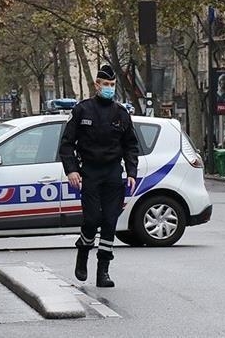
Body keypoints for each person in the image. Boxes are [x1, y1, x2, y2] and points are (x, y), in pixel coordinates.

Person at [60, 64, 138, 287]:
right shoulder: (82, 110)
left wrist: (131, 171)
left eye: (113, 85)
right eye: (106, 85)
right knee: (92, 220)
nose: (109, 88)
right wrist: (72, 169)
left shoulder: (121, 113)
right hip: (91, 172)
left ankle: (103, 270)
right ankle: (83, 250)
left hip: (113, 172)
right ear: (97, 85)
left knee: (110, 222)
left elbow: (131, 145)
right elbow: (67, 144)